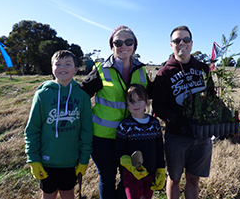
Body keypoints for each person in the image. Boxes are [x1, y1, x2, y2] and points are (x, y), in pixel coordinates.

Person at [80, 25, 153, 199]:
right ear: (112, 46)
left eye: (128, 41)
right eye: (117, 42)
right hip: (103, 137)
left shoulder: (141, 70)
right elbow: (81, 96)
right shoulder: (100, 70)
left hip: (131, 136)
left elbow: (153, 94)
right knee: (107, 178)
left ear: (134, 45)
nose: (123, 46)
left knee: (127, 178)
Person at [153, 26, 215, 199]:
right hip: (177, 137)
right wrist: (177, 120)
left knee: (194, 179)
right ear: (171, 45)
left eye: (186, 40)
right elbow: (158, 106)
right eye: (177, 40)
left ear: (191, 43)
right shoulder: (164, 73)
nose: (182, 43)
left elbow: (212, 97)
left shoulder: (203, 69)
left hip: (202, 137)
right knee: (174, 179)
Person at [24, 50, 93, 199]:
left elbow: (86, 130)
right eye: (58, 64)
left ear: (75, 69)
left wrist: (84, 159)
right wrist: (33, 159)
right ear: (52, 69)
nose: (63, 67)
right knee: (49, 194)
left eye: (68, 64)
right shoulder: (42, 94)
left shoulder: (82, 97)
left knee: (68, 194)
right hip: (47, 159)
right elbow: (32, 129)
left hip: (71, 160)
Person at [115, 84, 165, 199]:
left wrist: (161, 169)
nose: (136, 104)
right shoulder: (124, 126)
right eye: (131, 101)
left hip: (151, 173)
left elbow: (159, 149)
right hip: (131, 175)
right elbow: (119, 152)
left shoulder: (155, 124)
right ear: (127, 105)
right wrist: (131, 167)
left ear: (146, 101)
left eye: (139, 100)